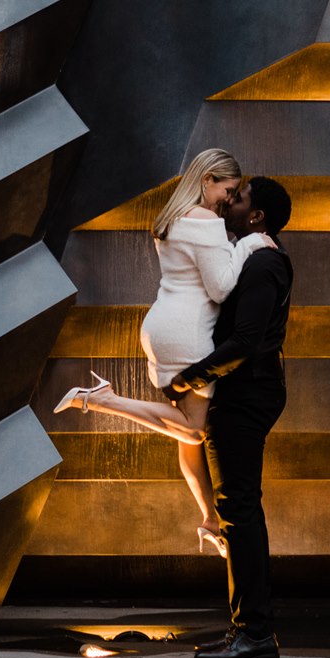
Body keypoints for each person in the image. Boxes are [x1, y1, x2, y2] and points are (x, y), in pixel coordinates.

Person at [54, 149, 271, 556]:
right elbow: (221, 288)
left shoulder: (172, 218)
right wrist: (252, 243)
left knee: (184, 437)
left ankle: (208, 517)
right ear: (207, 180)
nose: (230, 198)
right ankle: (102, 400)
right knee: (192, 430)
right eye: (228, 189)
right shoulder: (204, 220)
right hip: (187, 334)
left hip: (162, 328)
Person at [171, 177, 293, 658]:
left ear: (256, 215)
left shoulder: (264, 263)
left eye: (238, 198)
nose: (229, 203)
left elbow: (244, 341)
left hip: (247, 395)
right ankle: (250, 631)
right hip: (248, 393)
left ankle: (254, 635)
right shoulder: (256, 257)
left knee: (240, 512)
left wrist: (187, 380)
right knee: (239, 511)